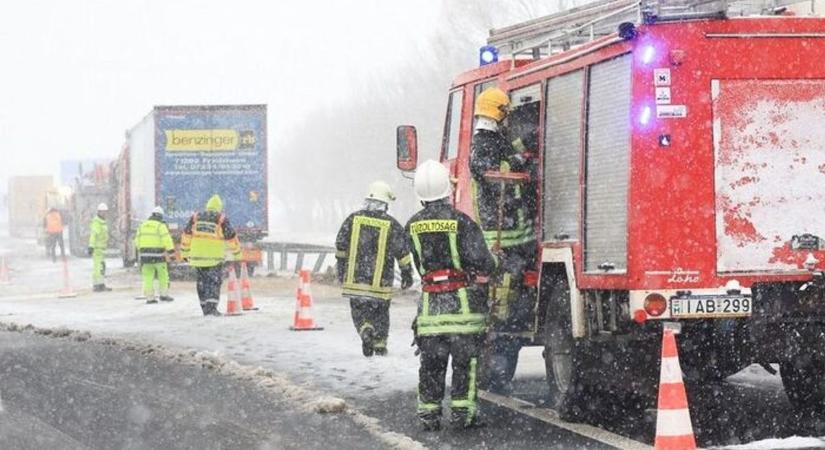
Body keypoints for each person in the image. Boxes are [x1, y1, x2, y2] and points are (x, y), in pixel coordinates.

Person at [406, 160, 497, 431]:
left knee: (431, 365)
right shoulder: (462, 222)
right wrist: (497, 260)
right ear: (448, 189)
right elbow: (484, 263)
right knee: (465, 365)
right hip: (462, 311)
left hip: (430, 312)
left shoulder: (412, 225)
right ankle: (463, 414)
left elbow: (418, 264)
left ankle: (429, 415)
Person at [470, 87, 538, 393]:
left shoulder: (495, 140)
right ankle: (495, 358)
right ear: (497, 113)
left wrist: (528, 150)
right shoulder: (483, 144)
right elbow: (487, 172)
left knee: (506, 298)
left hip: (516, 234)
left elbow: (515, 158)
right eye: (505, 113)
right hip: (502, 236)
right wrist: (516, 177)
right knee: (503, 299)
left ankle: (496, 360)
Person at [335, 181, 414, 357]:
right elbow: (403, 253)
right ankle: (379, 344)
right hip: (381, 282)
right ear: (385, 204)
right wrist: (407, 274)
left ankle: (365, 329)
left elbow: (341, 246)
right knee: (381, 313)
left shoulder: (352, 219)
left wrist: (341, 269)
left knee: (358, 310)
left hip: (355, 280)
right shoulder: (391, 224)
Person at [181, 194, 241, 316]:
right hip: (214, 258)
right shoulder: (221, 219)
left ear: (207, 206)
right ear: (219, 207)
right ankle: (211, 308)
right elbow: (231, 238)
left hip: (197, 258)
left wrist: (185, 253)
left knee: (201, 282)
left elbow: (186, 235)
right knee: (213, 282)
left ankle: (204, 307)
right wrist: (237, 254)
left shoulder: (196, 217)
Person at [134, 206, 175, 304]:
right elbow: (167, 239)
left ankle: (150, 298)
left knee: (148, 277)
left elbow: (136, 241)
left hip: (145, 256)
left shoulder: (142, 225)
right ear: (160, 216)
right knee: (163, 275)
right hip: (158, 256)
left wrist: (141, 251)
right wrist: (171, 253)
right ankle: (163, 295)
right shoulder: (160, 226)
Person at [88, 203, 112, 292]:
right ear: (99, 212)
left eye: (106, 212)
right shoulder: (97, 223)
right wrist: (91, 246)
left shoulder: (102, 222)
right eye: (103, 212)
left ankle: (100, 284)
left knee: (101, 267)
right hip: (97, 249)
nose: (105, 214)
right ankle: (97, 285)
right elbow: (93, 235)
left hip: (101, 249)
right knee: (98, 268)